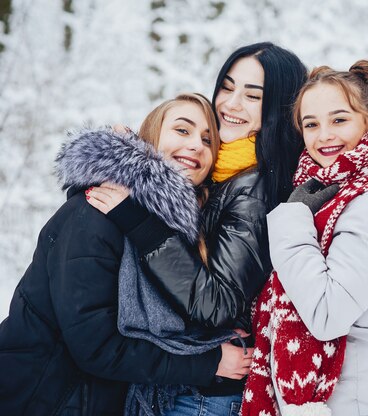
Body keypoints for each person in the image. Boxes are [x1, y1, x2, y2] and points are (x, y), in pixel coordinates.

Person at [86, 43, 308, 415]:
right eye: (227, 86)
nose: (231, 104)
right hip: (185, 385)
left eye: (252, 96)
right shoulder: (222, 169)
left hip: (204, 397)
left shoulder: (252, 186)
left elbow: (216, 303)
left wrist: (141, 225)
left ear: (278, 108)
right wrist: (128, 158)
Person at [0, 93, 251, 416]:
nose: (197, 145)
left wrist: (212, 337)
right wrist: (208, 362)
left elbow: (165, 316)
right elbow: (96, 346)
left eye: (207, 139)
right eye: (182, 130)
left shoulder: (162, 229)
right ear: (150, 136)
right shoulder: (94, 212)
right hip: (43, 396)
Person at [241, 61, 368, 416]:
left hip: (362, 403)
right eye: (311, 124)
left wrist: (292, 217)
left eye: (339, 120)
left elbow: (327, 313)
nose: (324, 135)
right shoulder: (327, 196)